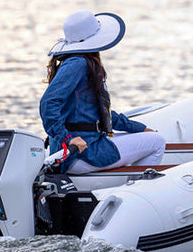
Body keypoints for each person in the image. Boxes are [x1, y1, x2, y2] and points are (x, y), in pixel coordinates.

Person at [40, 10, 165, 174]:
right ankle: (138, 190)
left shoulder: (80, 63)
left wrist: (139, 128)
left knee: (148, 137)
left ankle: (128, 185)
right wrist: (67, 139)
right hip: (82, 152)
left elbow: (103, 115)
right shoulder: (78, 64)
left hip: (86, 145)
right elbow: (48, 103)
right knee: (157, 142)